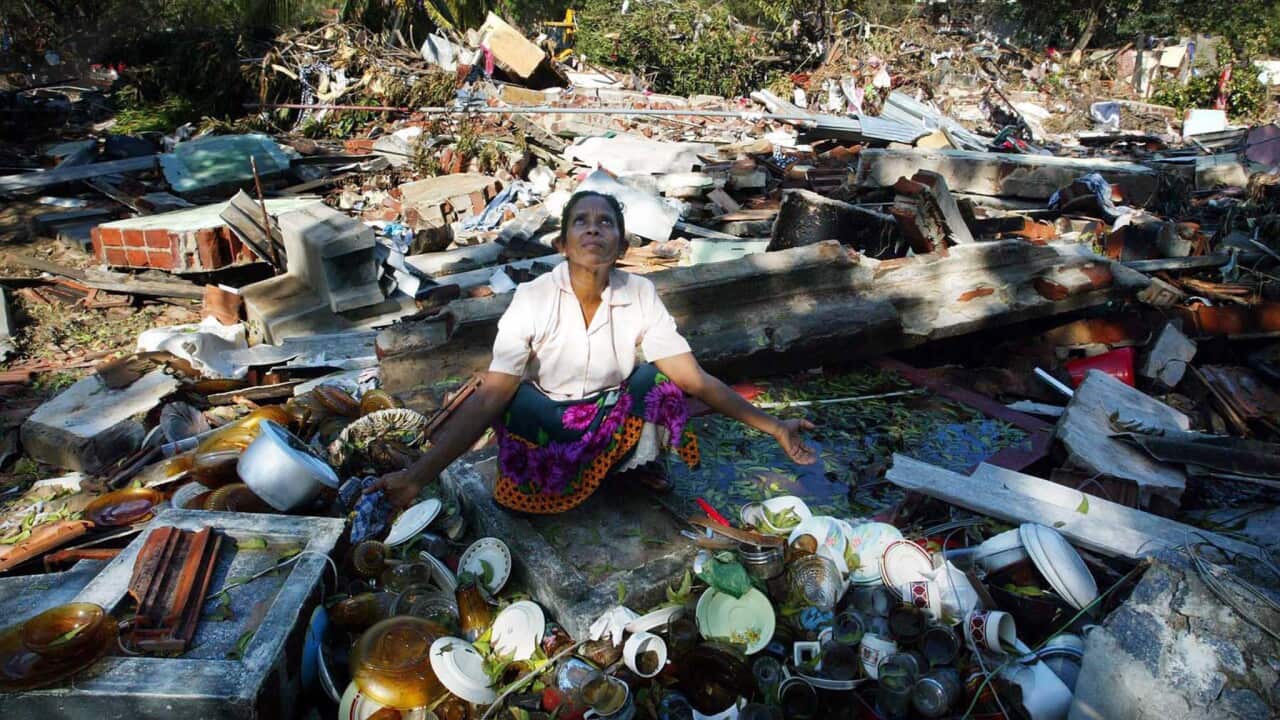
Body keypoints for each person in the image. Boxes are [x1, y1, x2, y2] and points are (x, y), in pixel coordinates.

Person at [374, 190, 816, 513]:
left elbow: (696, 380)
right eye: (580, 221)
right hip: (548, 418)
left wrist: (775, 426)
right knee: (505, 394)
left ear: (622, 246)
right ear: (562, 244)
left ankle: (633, 465)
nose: (593, 228)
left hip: (607, 415)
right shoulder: (533, 298)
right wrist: (417, 478)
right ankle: (557, 482)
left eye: (605, 222)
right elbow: (492, 395)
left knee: (660, 381)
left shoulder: (640, 292)